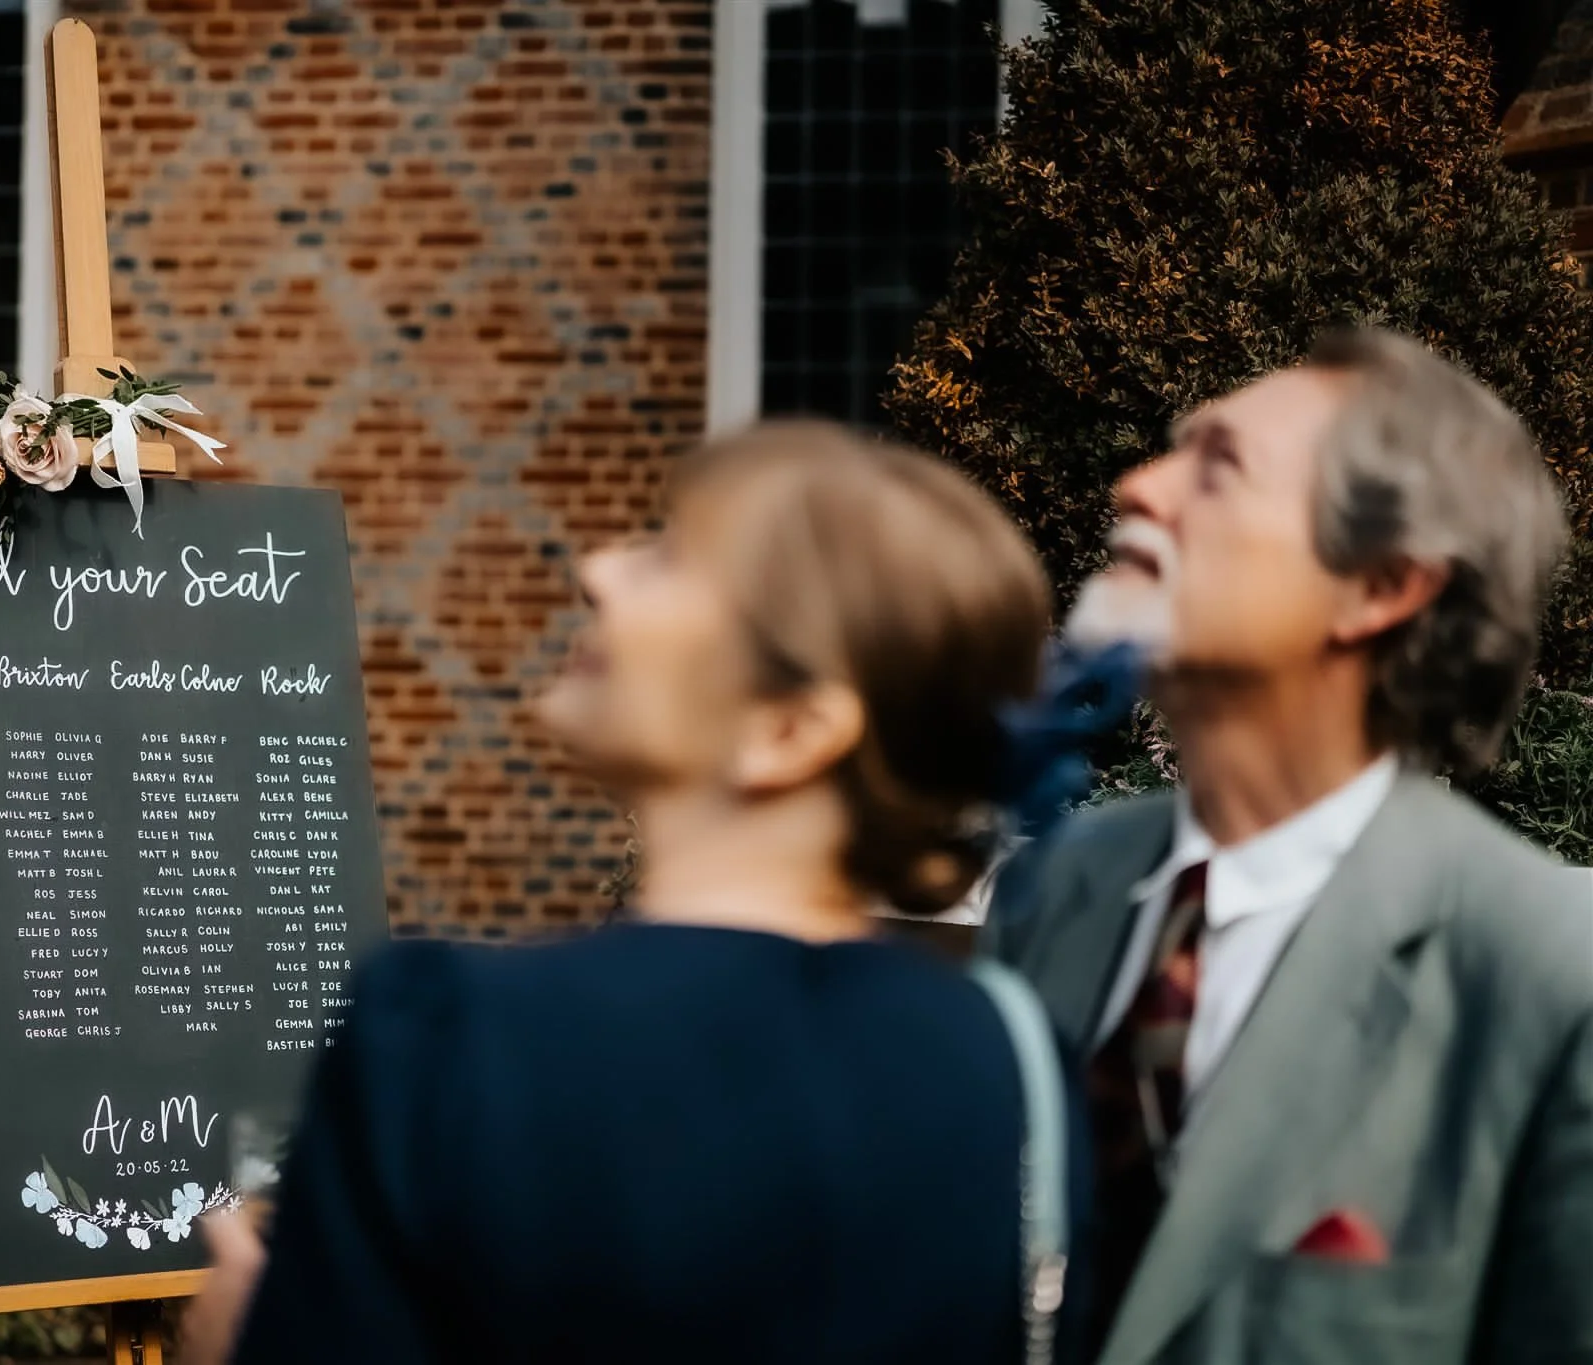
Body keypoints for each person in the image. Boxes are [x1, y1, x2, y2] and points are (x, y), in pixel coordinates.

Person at [183, 421, 1093, 1364]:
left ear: (788, 728)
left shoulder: (446, 1034)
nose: (596, 569)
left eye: (667, 558)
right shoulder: (1015, 1063)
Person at [984, 327, 1593, 1365]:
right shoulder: (1059, 883)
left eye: (1216, 465)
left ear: (1379, 587)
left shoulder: (1544, 977)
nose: (1139, 485)